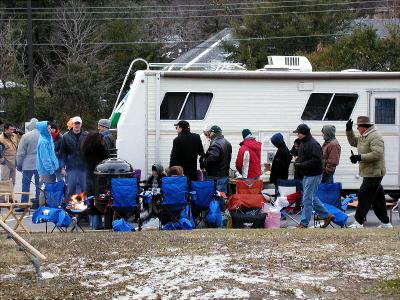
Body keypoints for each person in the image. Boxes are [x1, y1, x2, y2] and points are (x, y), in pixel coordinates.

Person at [346, 116, 392, 228]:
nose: (357, 129)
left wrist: (359, 157)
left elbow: (377, 154)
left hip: (374, 172)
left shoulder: (375, 136)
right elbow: (353, 142)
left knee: (364, 196)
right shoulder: (364, 136)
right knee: (378, 199)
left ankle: (359, 222)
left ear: (365, 127)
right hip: (369, 172)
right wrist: (349, 130)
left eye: (358, 127)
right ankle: (385, 223)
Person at [293, 124, 333, 228]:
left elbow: (316, 161)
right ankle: (326, 215)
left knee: (307, 199)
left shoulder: (313, 144)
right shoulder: (303, 143)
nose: (297, 134)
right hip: (307, 174)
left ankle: (304, 223)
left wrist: (301, 165)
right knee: (311, 197)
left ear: (304, 133)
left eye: (298, 133)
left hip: (314, 174)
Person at [81, 132, 109, 230]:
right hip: (97, 177)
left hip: (88, 175)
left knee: (90, 199)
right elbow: (107, 158)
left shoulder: (85, 149)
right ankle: (97, 225)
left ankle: (92, 224)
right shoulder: (100, 149)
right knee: (97, 199)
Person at [60, 116, 88, 197]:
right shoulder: (66, 136)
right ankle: (70, 206)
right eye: (75, 123)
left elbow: (89, 152)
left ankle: (84, 206)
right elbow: (63, 153)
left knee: (84, 188)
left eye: (78, 123)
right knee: (71, 188)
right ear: (72, 124)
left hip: (83, 167)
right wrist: (62, 167)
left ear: (81, 124)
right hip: (71, 167)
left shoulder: (86, 136)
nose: (77, 125)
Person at [200, 125, 232, 194]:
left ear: (213, 133)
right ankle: (222, 205)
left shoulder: (215, 143)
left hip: (215, 176)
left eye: (210, 132)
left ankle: (216, 205)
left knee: (214, 196)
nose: (209, 134)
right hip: (224, 174)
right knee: (223, 195)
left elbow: (212, 158)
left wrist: (203, 163)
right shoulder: (227, 143)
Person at [16, 118, 40, 207]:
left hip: (28, 163)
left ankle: (24, 204)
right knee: (39, 184)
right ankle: (38, 202)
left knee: (25, 184)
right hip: (40, 163)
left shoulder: (26, 136)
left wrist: (19, 164)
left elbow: (21, 152)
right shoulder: (43, 135)